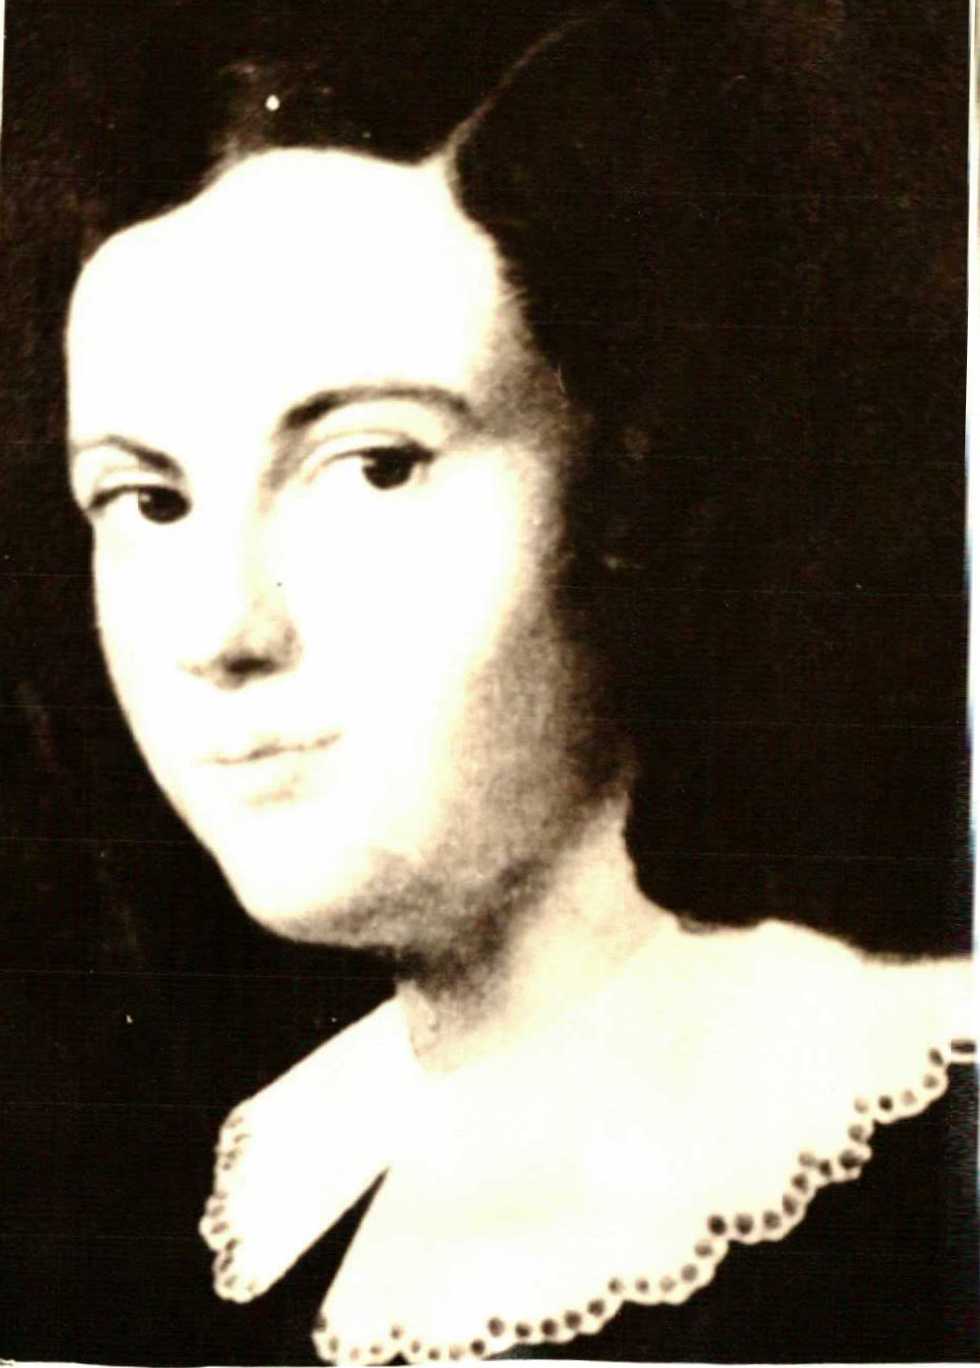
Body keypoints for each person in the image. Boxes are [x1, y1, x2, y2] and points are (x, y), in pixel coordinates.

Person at [54, 0, 975, 1362]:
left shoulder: (912, 1156)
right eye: (148, 501)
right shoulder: (262, 1185)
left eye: (375, 467)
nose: (223, 629)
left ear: (631, 493)